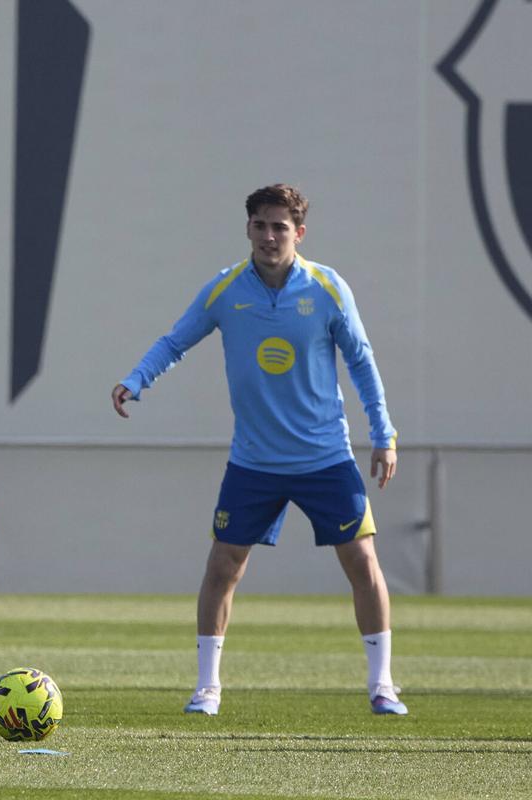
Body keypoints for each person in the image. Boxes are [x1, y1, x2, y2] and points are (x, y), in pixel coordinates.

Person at [111, 184, 407, 716]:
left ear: (299, 232)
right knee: (223, 566)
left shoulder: (326, 288)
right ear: (248, 228)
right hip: (254, 462)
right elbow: (176, 340)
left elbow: (361, 361)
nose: (270, 236)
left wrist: (383, 435)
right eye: (260, 226)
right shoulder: (227, 289)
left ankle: (383, 683)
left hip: (326, 458)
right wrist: (136, 379)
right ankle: (207, 687)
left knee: (364, 561)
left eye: (280, 227)